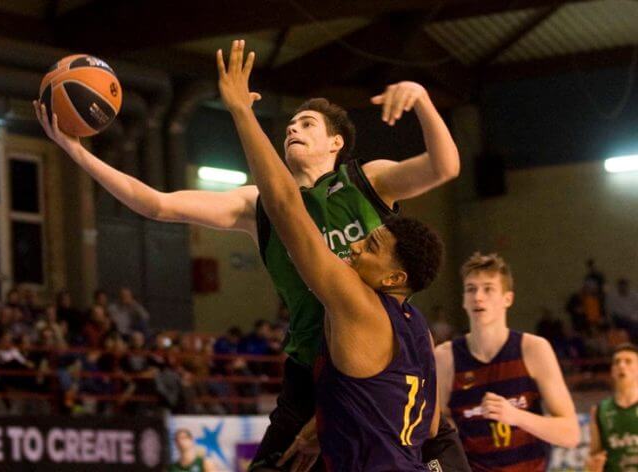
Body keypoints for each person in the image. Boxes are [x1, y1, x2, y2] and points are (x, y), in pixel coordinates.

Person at [33, 35, 465, 470]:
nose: (293, 128)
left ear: (336, 143)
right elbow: (156, 204)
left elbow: (444, 166)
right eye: (290, 125)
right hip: (312, 370)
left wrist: (423, 100)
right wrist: (76, 151)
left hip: (383, 363)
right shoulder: (255, 204)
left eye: (308, 123)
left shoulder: (367, 182)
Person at [217, 39, 445, 471]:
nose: (358, 243)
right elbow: (430, 423)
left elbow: (284, 206)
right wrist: (333, 419)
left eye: (372, 243)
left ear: (395, 276)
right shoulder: (418, 329)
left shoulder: (349, 299)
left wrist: (242, 113)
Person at [435, 253, 580, 471]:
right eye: (471, 289)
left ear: (508, 299)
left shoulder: (533, 349)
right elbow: (437, 426)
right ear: (464, 300)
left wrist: (516, 416)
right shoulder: (445, 357)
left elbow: (570, 433)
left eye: (488, 288)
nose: (478, 297)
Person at [587, 343, 638, 472]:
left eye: (628, 361)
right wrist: (593, 466)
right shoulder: (599, 411)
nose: (621, 365)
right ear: (612, 371)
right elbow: (595, 454)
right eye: (617, 362)